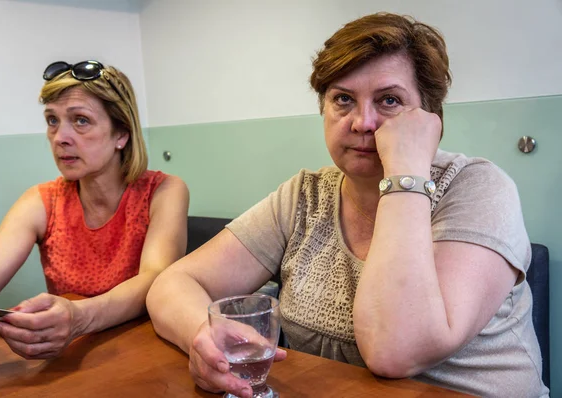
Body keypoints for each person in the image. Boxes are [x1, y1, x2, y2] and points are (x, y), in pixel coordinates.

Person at [146, 12, 548, 398]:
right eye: (343, 99)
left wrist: (405, 170)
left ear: (429, 118)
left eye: (389, 100)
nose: (362, 122)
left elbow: (396, 350)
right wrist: (205, 337)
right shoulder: (305, 194)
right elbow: (172, 286)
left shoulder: (477, 187)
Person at [0, 61, 189, 361]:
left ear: (121, 134)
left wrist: (80, 317)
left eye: (81, 120)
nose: (60, 137)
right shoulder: (42, 201)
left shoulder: (164, 191)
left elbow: (155, 278)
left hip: (147, 354)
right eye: (52, 120)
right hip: (74, 361)